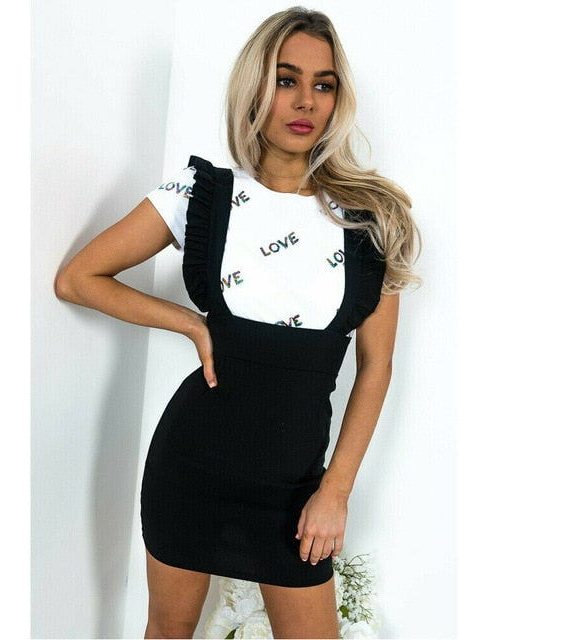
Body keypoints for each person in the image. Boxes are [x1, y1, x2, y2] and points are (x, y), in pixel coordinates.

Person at [55, 6, 419, 639]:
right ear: (255, 87)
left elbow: (376, 367)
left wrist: (335, 491)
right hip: (191, 469)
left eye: (324, 84)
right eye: (286, 79)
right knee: (168, 630)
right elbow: (78, 278)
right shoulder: (202, 197)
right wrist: (189, 323)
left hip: (296, 487)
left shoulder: (371, 219)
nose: (305, 101)